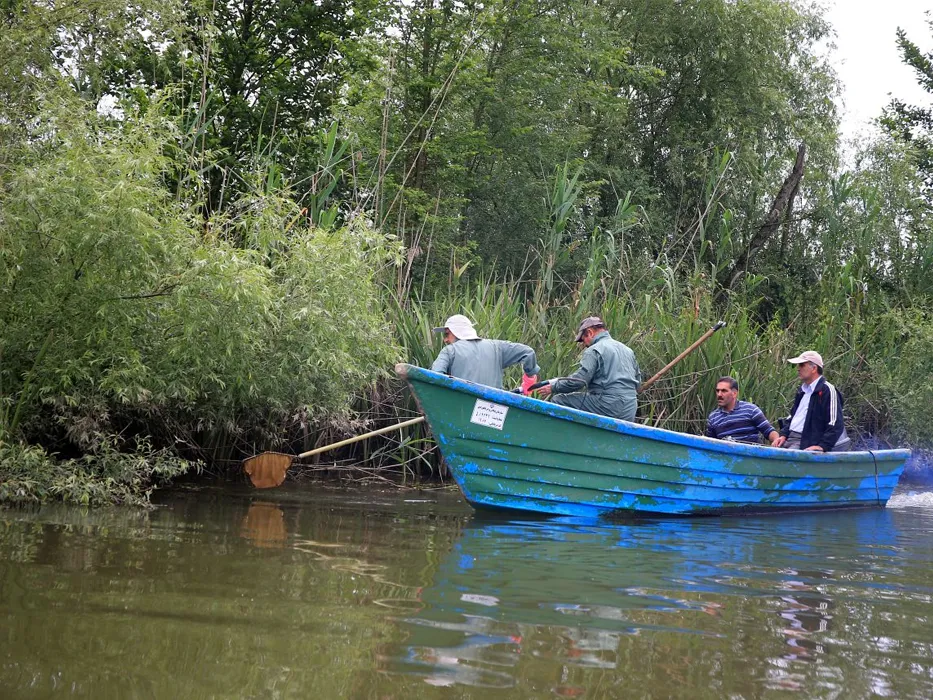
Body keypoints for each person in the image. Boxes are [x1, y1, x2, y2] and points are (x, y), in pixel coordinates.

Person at [536, 316, 641, 421]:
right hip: (630, 407)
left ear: (590, 332)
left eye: (583, 339)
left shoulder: (594, 349)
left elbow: (579, 381)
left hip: (609, 404)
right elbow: (638, 382)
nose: (584, 344)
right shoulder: (628, 350)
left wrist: (554, 387)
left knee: (559, 400)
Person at [430, 314, 540, 392]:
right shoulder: (497, 347)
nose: (445, 340)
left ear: (453, 331)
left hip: (461, 407)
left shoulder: (449, 351)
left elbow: (434, 375)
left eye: (446, 335)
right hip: (493, 411)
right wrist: (530, 377)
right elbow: (528, 352)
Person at [773, 350, 851, 452]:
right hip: (790, 439)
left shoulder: (828, 390)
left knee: (783, 460)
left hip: (804, 442)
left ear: (814, 368)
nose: (798, 369)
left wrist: (822, 446)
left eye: (801, 365)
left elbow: (836, 423)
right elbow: (793, 417)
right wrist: (783, 436)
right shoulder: (802, 390)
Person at [705, 376, 780, 445]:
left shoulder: (750, 410)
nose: (719, 394)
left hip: (751, 455)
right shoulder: (713, 417)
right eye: (717, 391)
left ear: (734, 393)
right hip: (726, 457)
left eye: (724, 391)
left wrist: (776, 440)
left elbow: (769, 431)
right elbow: (710, 443)